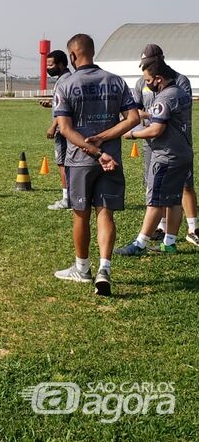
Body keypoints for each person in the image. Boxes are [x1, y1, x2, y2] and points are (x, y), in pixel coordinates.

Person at [52, 34, 139, 296]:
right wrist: (105, 139)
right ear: (92, 52)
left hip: (81, 161)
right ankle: (105, 268)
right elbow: (133, 118)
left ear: (72, 56)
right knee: (105, 213)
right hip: (111, 159)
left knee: (81, 213)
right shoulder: (115, 81)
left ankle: (82, 268)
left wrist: (93, 148)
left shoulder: (66, 85)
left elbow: (65, 129)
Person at [115, 56, 193, 255]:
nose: (147, 85)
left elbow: (156, 130)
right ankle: (169, 242)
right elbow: (169, 116)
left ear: (159, 78)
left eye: (148, 81)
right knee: (175, 199)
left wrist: (131, 134)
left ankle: (140, 244)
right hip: (183, 153)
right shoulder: (180, 93)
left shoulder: (165, 97)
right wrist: (149, 114)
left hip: (165, 156)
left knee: (155, 200)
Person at [39, 50, 72, 210]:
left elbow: (63, 109)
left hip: (62, 129)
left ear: (61, 64)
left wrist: (53, 126)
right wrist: (50, 103)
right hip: (69, 128)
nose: (48, 68)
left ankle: (67, 199)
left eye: (51, 65)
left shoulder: (63, 81)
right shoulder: (68, 79)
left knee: (62, 163)